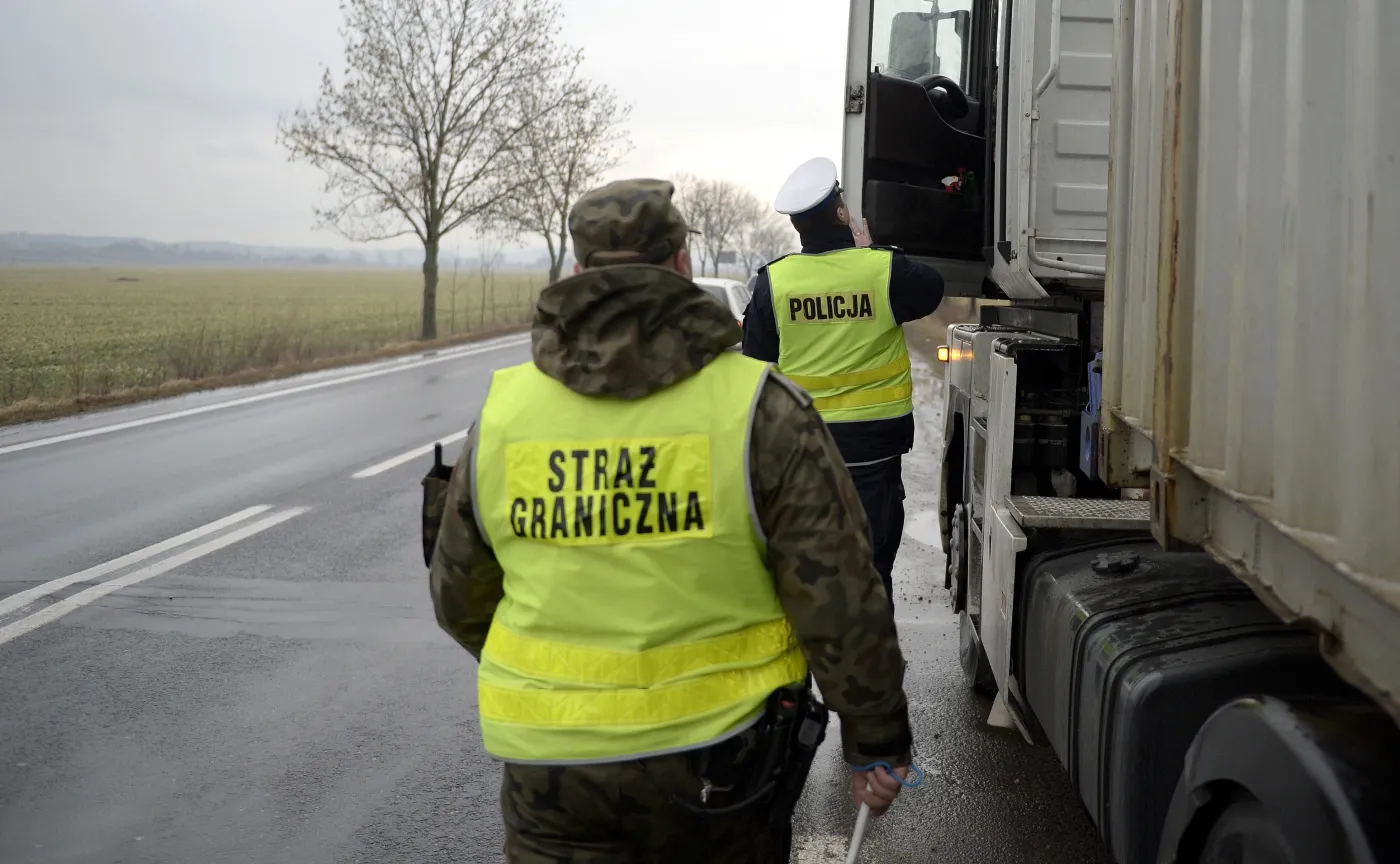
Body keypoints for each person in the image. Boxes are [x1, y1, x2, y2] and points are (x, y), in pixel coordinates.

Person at [426, 179, 914, 863]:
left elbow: (458, 599)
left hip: (553, 779)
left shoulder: (503, 417)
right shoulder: (760, 411)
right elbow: (838, 595)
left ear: (574, 270)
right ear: (682, 264)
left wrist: (559, 688)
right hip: (722, 772)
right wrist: (876, 742)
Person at [742, 157, 946, 609]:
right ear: (840, 214)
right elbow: (932, 288)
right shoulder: (880, 271)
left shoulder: (773, 283)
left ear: (798, 227)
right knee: (870, 567)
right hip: (873, 454)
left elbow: (755, 364)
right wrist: (873, 252)